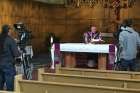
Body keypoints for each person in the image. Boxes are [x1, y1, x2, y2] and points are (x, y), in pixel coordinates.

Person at [0, 24, 20, 91]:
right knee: (10, 86)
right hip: (8, 65)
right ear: (8, 31)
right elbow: (16, 54)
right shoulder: (10, 40)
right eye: (10, 30)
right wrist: (20, 52)